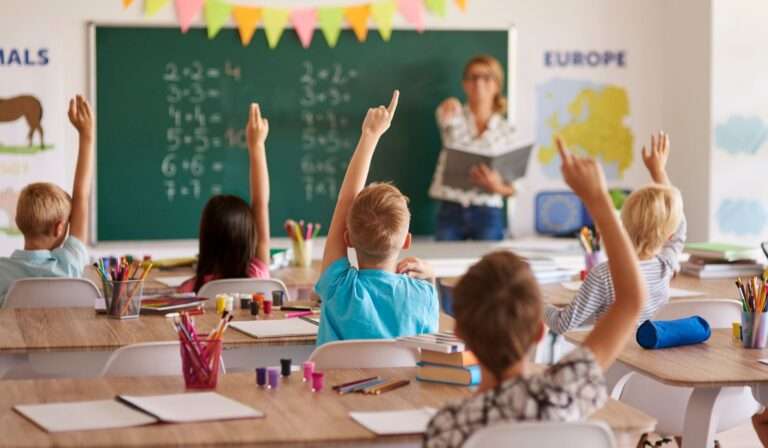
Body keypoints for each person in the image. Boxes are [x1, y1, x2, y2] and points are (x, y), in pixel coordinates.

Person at [424, 140, 647, 448]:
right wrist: (598, 200)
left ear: (459, 332)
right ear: (540, 332)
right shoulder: (564, 391)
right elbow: (632, 300)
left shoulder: (449, 427)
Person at [315, 90, 439, 345]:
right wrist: (431, 279)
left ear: (347, 238)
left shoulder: (340, 289)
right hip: (402, 387)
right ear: (406, 241)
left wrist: (369, 136)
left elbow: (345, 202)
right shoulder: (423, 296)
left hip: (335, 386)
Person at [545, 132, 686, 333]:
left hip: (613, 359)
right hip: (648, 356)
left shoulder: (604, 275)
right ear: (669, 235)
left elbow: (562, 324)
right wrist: (658, 171)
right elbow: (679, 227)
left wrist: (540, 305)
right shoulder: (666, 266)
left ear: (623, 222)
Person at [0, 95, 94, 305]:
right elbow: (81, 196)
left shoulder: (2, 272)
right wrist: (86, 134)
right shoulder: (69, 265)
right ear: (60, 227)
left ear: (17, 222)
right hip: (68, 339)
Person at [179, 103, 271, 293]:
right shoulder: (257, 275)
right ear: (250, 238)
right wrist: (257, 145)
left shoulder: (191, 290)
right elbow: (260, 203)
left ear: (205, 239)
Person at [429, 55, 518, 241]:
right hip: (450, 209)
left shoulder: (507, 130)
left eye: (486, 77)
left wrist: (496, 186)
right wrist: (450, 103)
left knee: (490, 268)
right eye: (473, 77)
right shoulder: (453, 115)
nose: (479, 83)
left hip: (488, 212)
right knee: (444, 266)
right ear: (465, 84)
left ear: (496, 85)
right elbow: (442, 114)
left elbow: (513, 188)